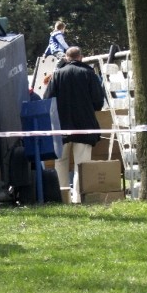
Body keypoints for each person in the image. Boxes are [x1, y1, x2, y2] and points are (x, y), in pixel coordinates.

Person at [43, 46, 105, 203]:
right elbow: (98, 102)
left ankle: (62, 198)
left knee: (60, 164)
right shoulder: (89, 74)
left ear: (66, 57)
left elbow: (47, 99)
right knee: (82, 165)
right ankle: (79, 198)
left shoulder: (57, 75)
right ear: (81, 57)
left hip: (61, 127)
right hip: (85, 126)